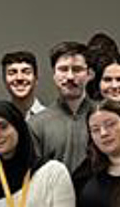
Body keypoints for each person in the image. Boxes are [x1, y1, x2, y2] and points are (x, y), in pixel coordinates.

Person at [29, 41, 95, 175]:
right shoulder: (36, 124)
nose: (70, 77)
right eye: (63, 69)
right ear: (54, 74)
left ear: (89, 74)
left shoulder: (105, 117)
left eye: (77, 69)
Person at [2, 50, 46, 120]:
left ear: (36, 78)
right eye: (12, 73)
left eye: (26, 72)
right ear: (4, 80)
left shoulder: (51, 119)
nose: (19, 78)